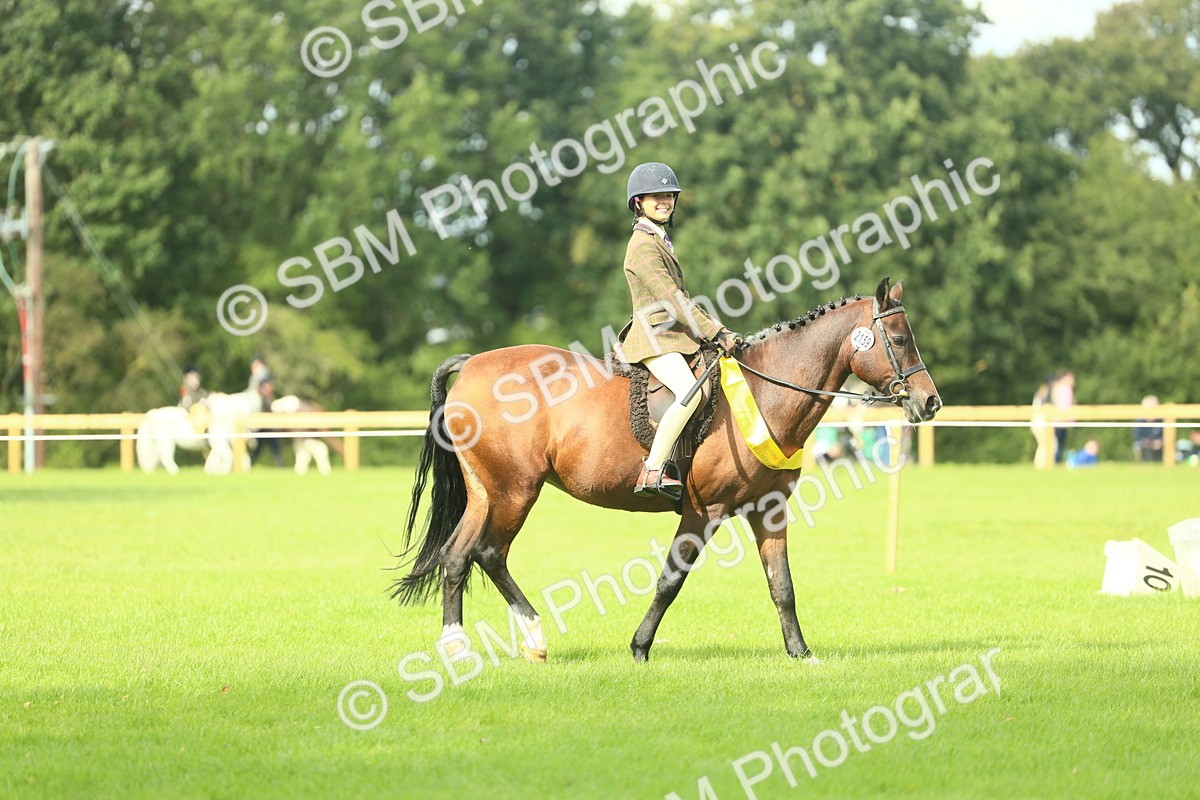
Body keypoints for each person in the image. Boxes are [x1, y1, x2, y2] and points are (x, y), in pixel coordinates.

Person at [617, 162, 742, 497]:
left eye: (669, 195)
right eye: (656, 196)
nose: (665, 201)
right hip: (653, 338)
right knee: (690, 391)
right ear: (638, 202)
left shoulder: (660, 240)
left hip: (674, 335)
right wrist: (716, 331)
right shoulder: (642, 245)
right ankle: (653, 468)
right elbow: (672, 298)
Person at [247, 355, 284, 466]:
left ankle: (280, 466)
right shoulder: (256, 378)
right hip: (260, 417)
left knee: (274, 445)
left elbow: (266, 394)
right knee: (262, 445)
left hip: (266, 415)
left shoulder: (264, 377)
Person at [1051, 370, 1075, 465]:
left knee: (1058, 444)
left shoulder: (1057, 388)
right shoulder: (1065, 389)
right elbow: (1064, 406)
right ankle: (1056, 462)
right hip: (1060, 421)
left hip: (1059, 420)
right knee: (1059, 444)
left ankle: (1056, 462)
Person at [1030, 375, 1054, 470]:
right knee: (1045, 444)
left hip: (1037, 421)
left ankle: (1041, 464)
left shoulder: (1040, 393)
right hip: (1041, 421)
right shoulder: (1045, 392)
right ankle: (1040, 465)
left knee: (1044, 444)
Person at [1132, 395, 1164, 463]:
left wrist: (1160, 441)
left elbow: (1166, 435)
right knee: (1137, 446)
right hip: (1145, 444)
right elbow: (1138, 437)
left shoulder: (1161, 421)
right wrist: (1149, 443)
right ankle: (1141, 463)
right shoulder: (1140, 422)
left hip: (1159, 444)